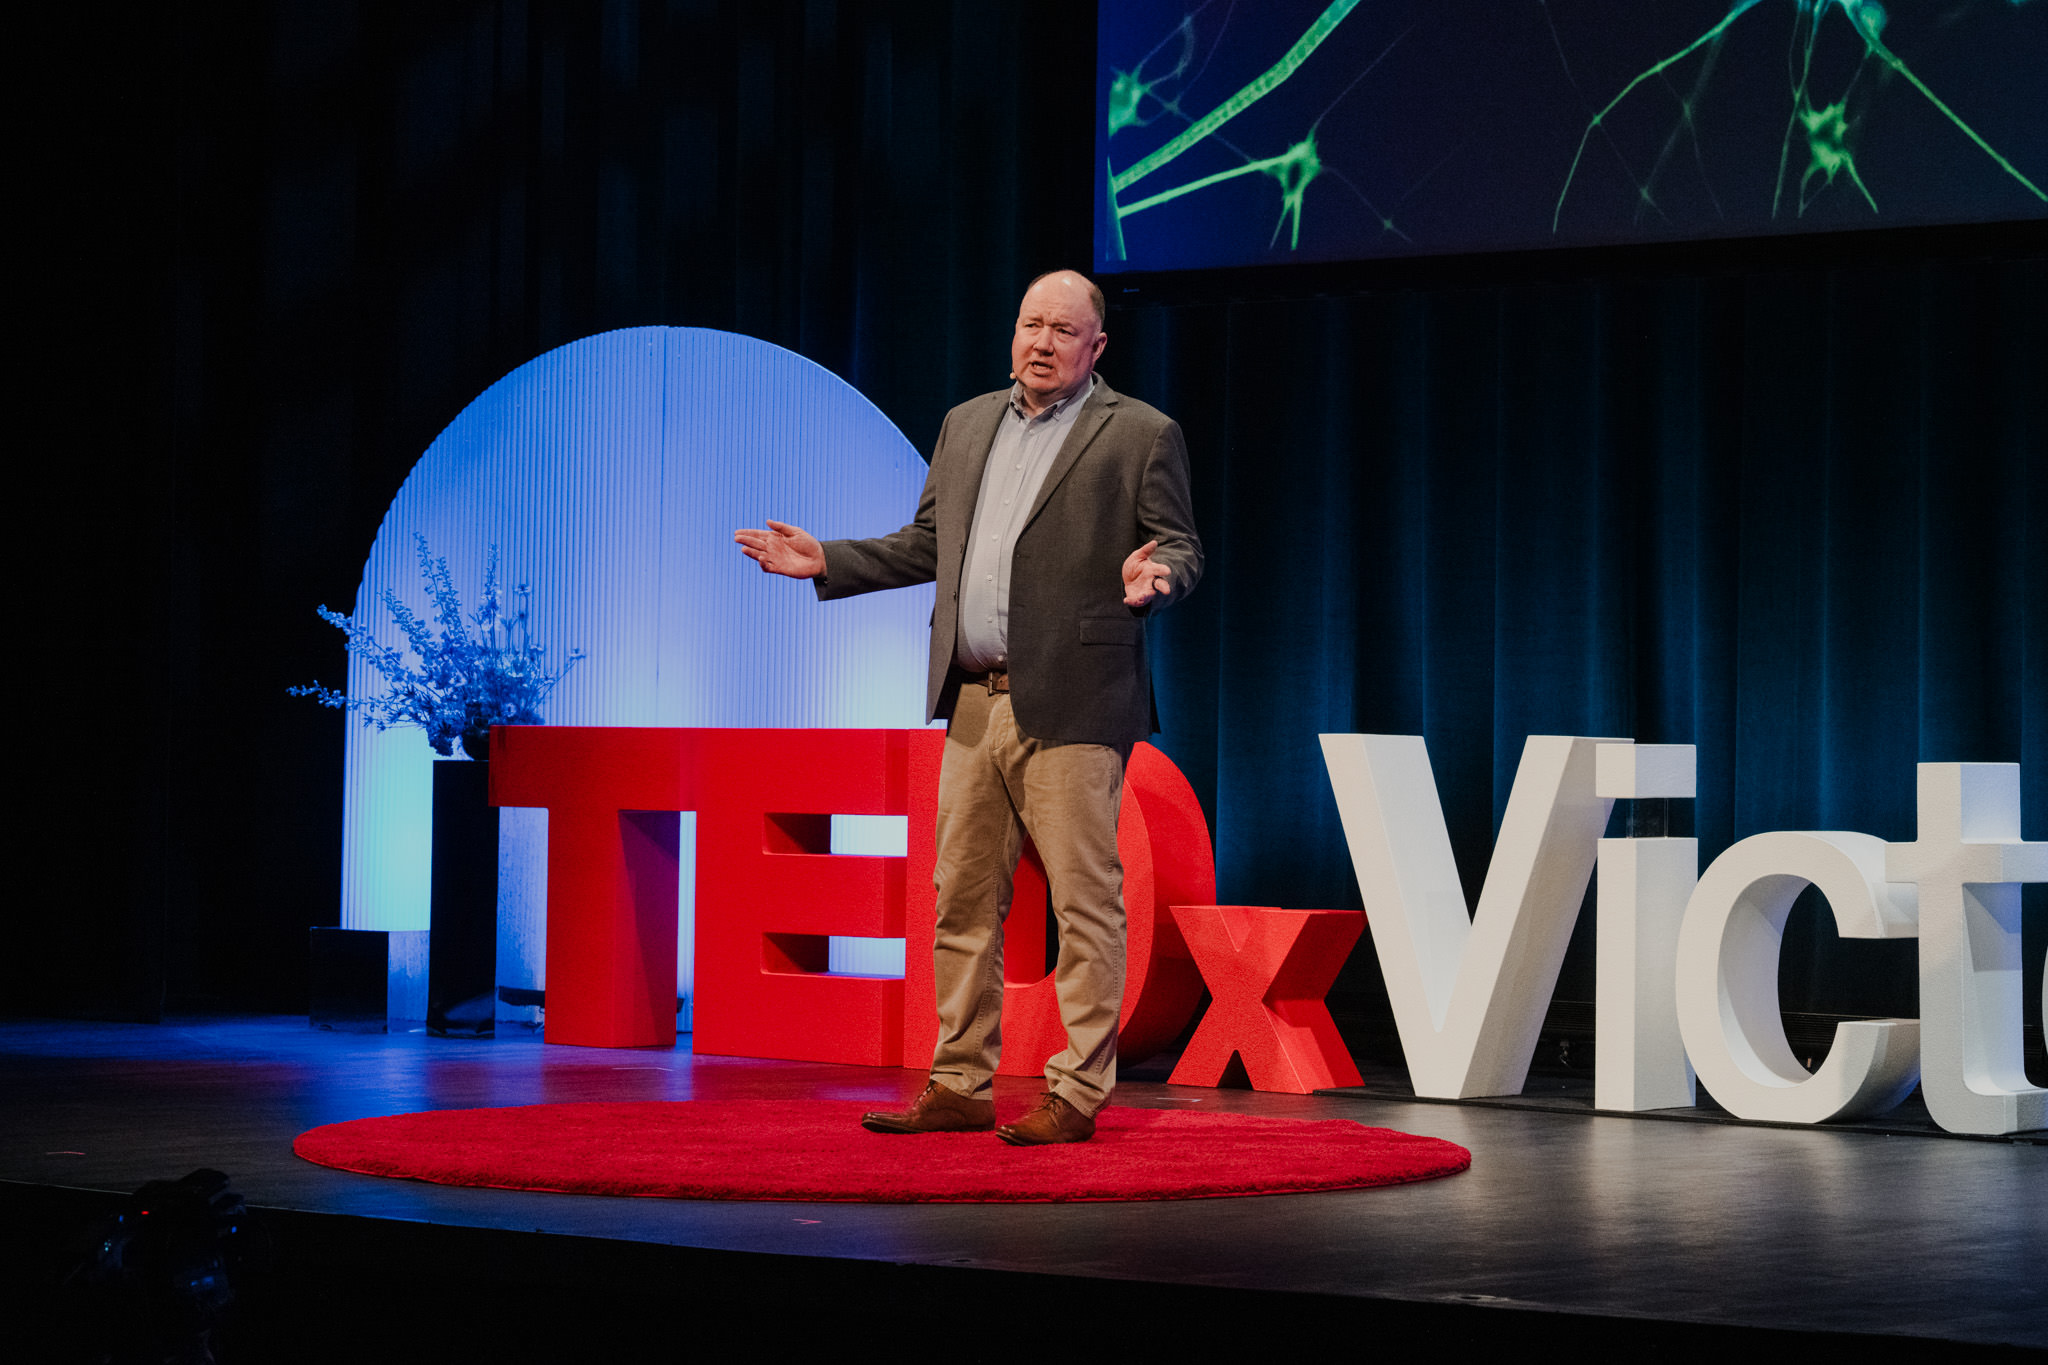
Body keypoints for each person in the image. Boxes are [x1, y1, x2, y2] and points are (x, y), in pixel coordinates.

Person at [735, 269, 1201, 1145]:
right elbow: (926, 544)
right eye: (1032, 325)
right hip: (975, 701)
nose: (1043, 343)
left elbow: (1176, 541)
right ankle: (959, 1079)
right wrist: (826, 560)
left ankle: (1077, 1088)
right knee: (961, 897)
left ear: (1096, 347)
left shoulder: (1140, 433)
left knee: (1083, 902)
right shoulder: (967, 424)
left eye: (1064, 331)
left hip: (1076, 700)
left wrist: (1161, 574)